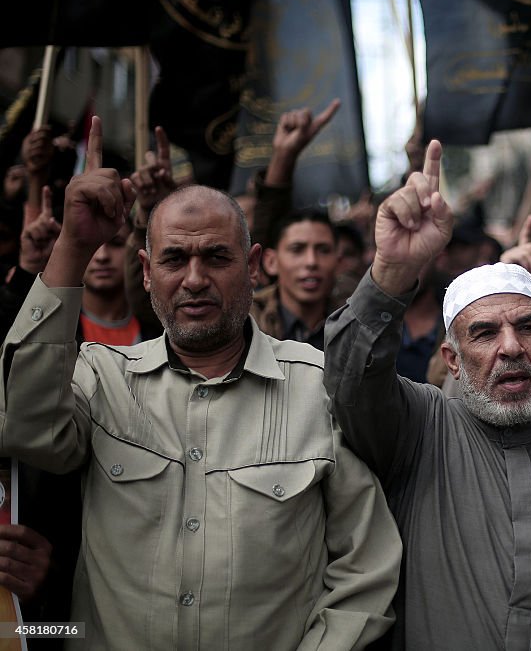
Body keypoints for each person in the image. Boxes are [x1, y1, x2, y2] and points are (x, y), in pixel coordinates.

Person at [0, 117, 400, 649]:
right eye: (173, 259)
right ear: (145, 272)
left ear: (254, 266)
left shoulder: (318, 388)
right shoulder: (100, 377)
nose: (193, 279)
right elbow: (27, 429)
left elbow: (365, 572)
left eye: (216, 257)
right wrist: (72, 247)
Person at [324, 139, 531, 650]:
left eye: (527, 328)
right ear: (452, 359)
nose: (511, 348)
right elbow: (352, 379)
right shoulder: (419, 431)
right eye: (485, 334)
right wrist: (393, 271)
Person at [252, 211, 340, 350]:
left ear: (337, 260)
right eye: (297, 250)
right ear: (271, 262)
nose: (311, 262)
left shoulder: (353, 320)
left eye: (323, 250)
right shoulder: (247, 321)